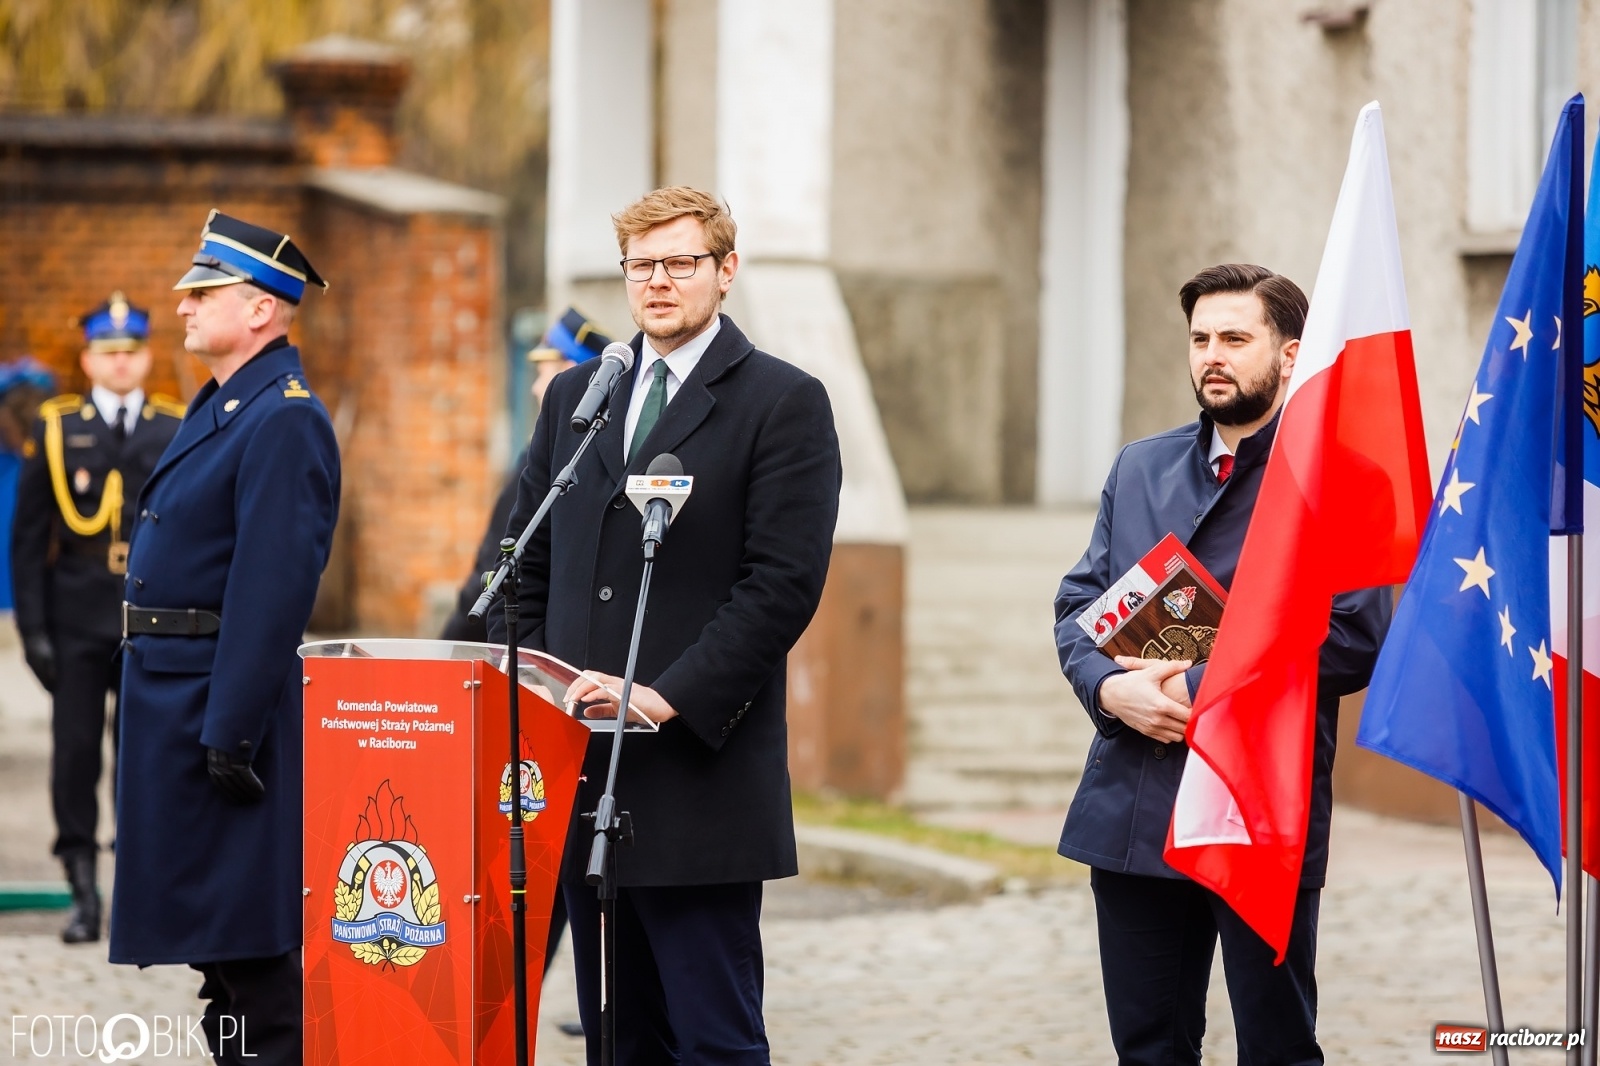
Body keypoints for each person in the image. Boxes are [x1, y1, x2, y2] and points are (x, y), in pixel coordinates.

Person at [489, 186, 842, 1065]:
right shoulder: (582, 393)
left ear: (724, 273)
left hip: (695, 778)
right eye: (640, 266)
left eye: (680, 263)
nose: (657, 283)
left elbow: (781, 586)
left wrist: (666, 697)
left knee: (711, 1038)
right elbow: (529, 561)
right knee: (616, 1040)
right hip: (579, 769)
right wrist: (542, 685)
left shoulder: (781, 402)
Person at [1052, 263, 1391, 1066]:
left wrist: (1188, 689)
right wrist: (1110, 689)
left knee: (1276, 1045)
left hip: (1258, 804)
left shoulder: (1341, 478)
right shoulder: (1140, 466)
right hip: (1134, 803)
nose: (1212, 355)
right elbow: (1079, 609)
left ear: (1288, 353)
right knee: (1149, 1047)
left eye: (1236, 339)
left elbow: (1353, 638)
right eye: (1201, 339)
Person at [110, 210, 340, 1066]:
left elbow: (272, 588)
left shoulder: (283, 417)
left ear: (259, 310)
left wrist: (232, 728)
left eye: (203, 292)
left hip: (218, 709)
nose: (182, 306)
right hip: (175, 696)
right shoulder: (228, 403)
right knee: (218, 949)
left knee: (254, 949)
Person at [10, 297, 183, 944]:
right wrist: (32, 631)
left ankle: (144, 887)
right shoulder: (57, 428)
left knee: (144, 754)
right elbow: (27, 540)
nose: (120, 363)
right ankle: (83, 893)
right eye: (107, 353)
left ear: (146, 357)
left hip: (150, 617)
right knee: (77, 754)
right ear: (86, 360)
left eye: (130, 351)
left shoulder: (174, 425)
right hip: (77, 615)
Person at [439, 306, 613, 646]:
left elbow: (499, 563)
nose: (535, 388)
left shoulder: (547, 455)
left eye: (543, 373)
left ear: (571, 371)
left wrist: (449, 645)